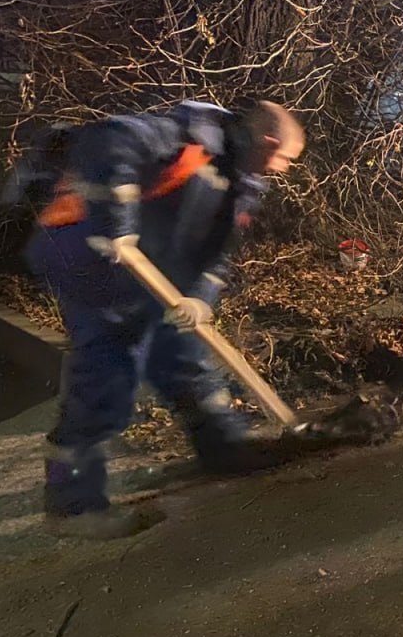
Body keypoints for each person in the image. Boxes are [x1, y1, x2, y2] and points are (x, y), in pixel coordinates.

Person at [26, 100, 306, 539]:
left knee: (182, 350)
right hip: (86, 252)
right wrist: (117, 226)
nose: (285, 169)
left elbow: (217, 251)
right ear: (269, 141)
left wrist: (200, 298)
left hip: (147, 266)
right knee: (108, 371)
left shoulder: (243, 178)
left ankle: (223, 449)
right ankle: (72, 507)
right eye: (287, 158)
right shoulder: (190, 134)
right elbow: (109, 139)